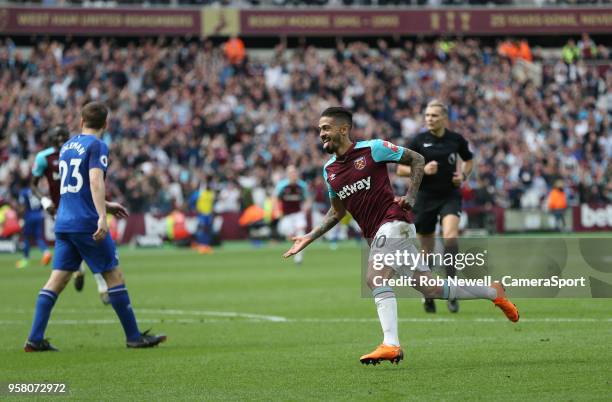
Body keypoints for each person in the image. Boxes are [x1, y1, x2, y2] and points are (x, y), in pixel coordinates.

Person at [283, 107, 518, 365]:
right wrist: (308, 237)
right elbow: (336, 212)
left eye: (326, 128)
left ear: (343, 129)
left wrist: (412, 196)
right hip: (377, 233)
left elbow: (417, 159)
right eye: (319, 130)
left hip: (394, 222)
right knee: (431, 288)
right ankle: (493, 292)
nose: (321, 134)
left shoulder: (373, 148)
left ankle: (391, 344)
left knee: (375, 277)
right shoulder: (329, 170)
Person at [24, 102, 166, 352]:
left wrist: (107, 205)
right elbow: (94, 180)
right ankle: (134, 337)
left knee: (56, 280)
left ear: (81, 121)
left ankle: (34, 339)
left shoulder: (67, 146)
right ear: (106, 124)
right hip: (86, 222)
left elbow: (76, 187)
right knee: (114, 276)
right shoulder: (97, 145)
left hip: (64, 222)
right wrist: (102, 215)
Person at [397, 100, 473, 314]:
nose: (429, 119)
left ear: (444, 118)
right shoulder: (418, 141)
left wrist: (464, 175)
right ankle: (428, 294)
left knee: (450, 237)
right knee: (426, 251)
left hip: (449, 195)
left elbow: (469, 161)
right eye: (427, 115)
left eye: (434, 115)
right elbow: (401, 170)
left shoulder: (456, 140)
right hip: (424, 199)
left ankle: (451, 288)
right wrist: (421, 169)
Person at [31, 124, 109, 303]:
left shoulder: (78, 150)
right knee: (87, 244)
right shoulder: (44, 157)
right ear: (50, 139)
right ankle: (95, 280)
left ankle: (94, 280)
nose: (60, 139)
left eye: (63, 135)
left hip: (82, 206)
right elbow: (33, 184)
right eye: (56, 136)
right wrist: (44, 201)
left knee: (88, 242)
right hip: (60, 210)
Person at [274, 165, 310, 265]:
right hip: (286, 216)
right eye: (291, 173)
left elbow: (307, 199)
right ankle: (296, 247)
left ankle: (298, 258)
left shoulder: (302, 185)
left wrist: (306, 208)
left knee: (301, 234)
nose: (293, 174)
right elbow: (276, 199)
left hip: (298, 214)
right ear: (287, 174)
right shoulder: (281, 186)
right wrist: (277, 210)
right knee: (289, 235)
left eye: (294, 172)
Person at [15, 176, 51, 269]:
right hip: (39, 215)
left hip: (29, 216)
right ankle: (46, 252)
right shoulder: (36, 190)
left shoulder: (23, 192)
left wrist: (19, 215)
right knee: (39, 237)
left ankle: (25, 259)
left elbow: (22, 207)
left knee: (26, 238)